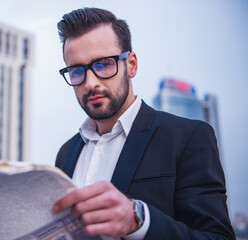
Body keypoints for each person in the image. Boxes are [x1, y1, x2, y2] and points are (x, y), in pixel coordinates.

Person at [52, 7, 235, 240]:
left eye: (104, 64)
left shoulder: (189, 137)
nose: (90, 83)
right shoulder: (66, 152)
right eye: (77, 70)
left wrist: (138, 220)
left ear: (131, 64)